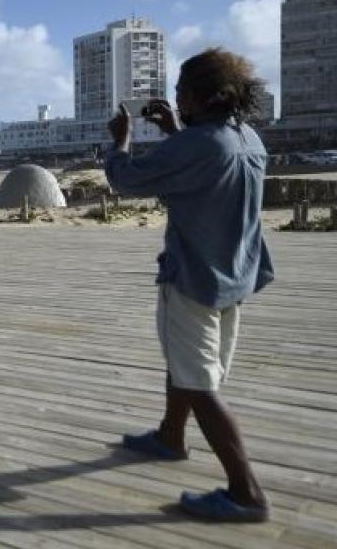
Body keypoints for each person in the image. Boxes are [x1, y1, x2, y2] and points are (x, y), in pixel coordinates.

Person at [104, 48, 275, 523]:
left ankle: (246, 492)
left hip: (194, 277)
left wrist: (120, 142)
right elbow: (206, 172)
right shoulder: (247, 139)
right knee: (187, 362)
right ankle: (169, 436)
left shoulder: (198, 145)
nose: (175, 97)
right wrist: (176, 133)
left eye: (180, 90)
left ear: (200, 96)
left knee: (200, 384)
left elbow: (126, 180)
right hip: (235, 274)